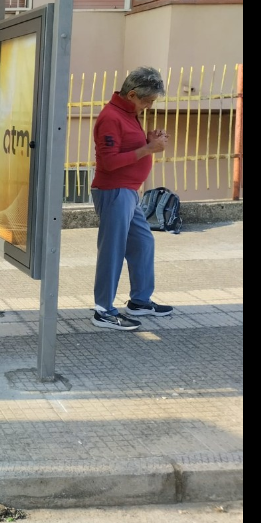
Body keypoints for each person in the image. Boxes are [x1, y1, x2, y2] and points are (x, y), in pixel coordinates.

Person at [90, 66, 174, 331]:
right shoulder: (111, 117)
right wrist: (149, 148)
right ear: (132, 94)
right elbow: (109, 162)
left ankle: (139, 301)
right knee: (112, 250)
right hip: (114, 191)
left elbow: (128, 148)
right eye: (148, 100)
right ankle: (103, 310)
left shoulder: (129, 113)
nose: (150, 106)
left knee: (143, 243)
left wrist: (148, 141)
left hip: (128, 192)